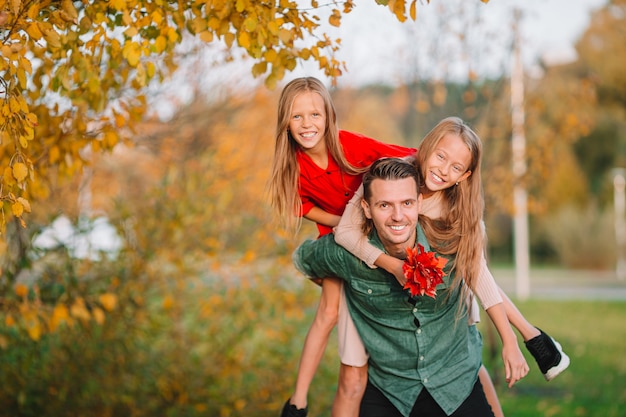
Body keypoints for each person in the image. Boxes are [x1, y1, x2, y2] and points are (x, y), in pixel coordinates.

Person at [334, 117, 570, 414]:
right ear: (427, 147)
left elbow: (479, 276)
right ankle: (534, 336)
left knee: (468, 346)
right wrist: (389, 265)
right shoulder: (393, 178)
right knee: (354, 371)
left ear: (465, 175)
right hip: (383, 291)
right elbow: (344, 232)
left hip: (447, 288)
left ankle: (529, 337)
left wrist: (508, 340)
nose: (444, 170)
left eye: (456, 167)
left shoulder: (458, 209)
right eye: (441, 156)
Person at [293, 157, 497, 417]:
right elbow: (302, 259)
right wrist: (337, 284)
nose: (397, 216)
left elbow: (488, 285)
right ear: (366, 208)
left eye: (407, 203)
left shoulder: (451, 244)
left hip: (455, 385)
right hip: (390, 392)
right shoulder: (346, 255)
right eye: (384, 205)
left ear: (419, 203)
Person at [268, 77, 416, 417]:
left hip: (378, 232)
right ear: (286, 123)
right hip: (338, 240)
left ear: (328, 116)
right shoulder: (292, 164)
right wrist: (341, 223)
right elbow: (299, 207)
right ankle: (298, 402)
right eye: (297, 117)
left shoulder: (348, 145)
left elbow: (408, 158)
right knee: (328, 312)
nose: (307, 124)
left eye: (315, 114)